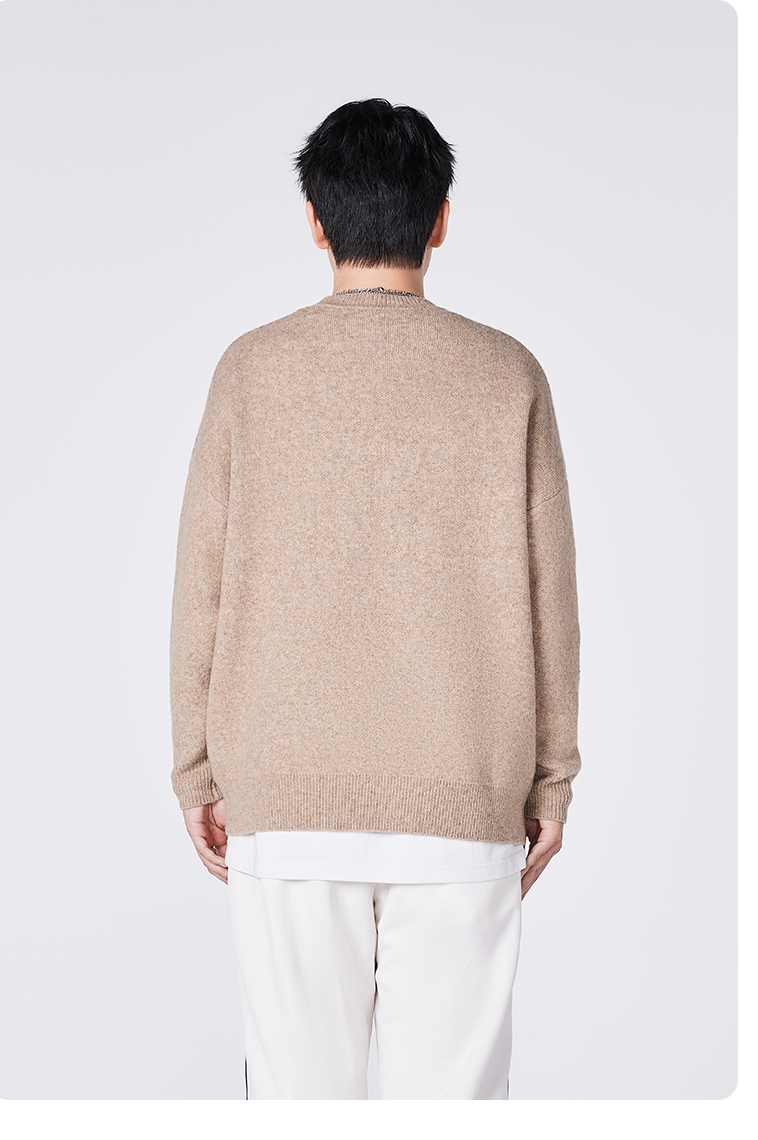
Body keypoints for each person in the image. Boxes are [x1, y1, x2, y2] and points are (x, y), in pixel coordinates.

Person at [170, 98, 582, 1101]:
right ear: (439, 220)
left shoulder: (252, 370)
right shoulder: (507, 375)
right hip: (463, 791)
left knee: (295, 1101)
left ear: (316, 222)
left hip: (285, 795)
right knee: (451, 1109)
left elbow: (201, 582)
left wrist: (195, 771)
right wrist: (551, 782)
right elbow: (551, 597)